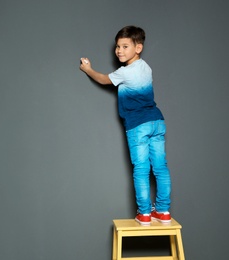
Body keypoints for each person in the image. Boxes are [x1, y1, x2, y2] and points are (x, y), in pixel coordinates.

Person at [79, 25, 172, 225]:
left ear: (138, 48)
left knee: (141, 169)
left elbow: (104, 79)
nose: (119, 51)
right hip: (157, 121)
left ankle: (145, 213)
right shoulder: (146, 67)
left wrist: (88, 69)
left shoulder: (125, 72)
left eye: (125, 46)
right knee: (160, 168)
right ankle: (163, 211)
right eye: (117, 46)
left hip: (138, 125)